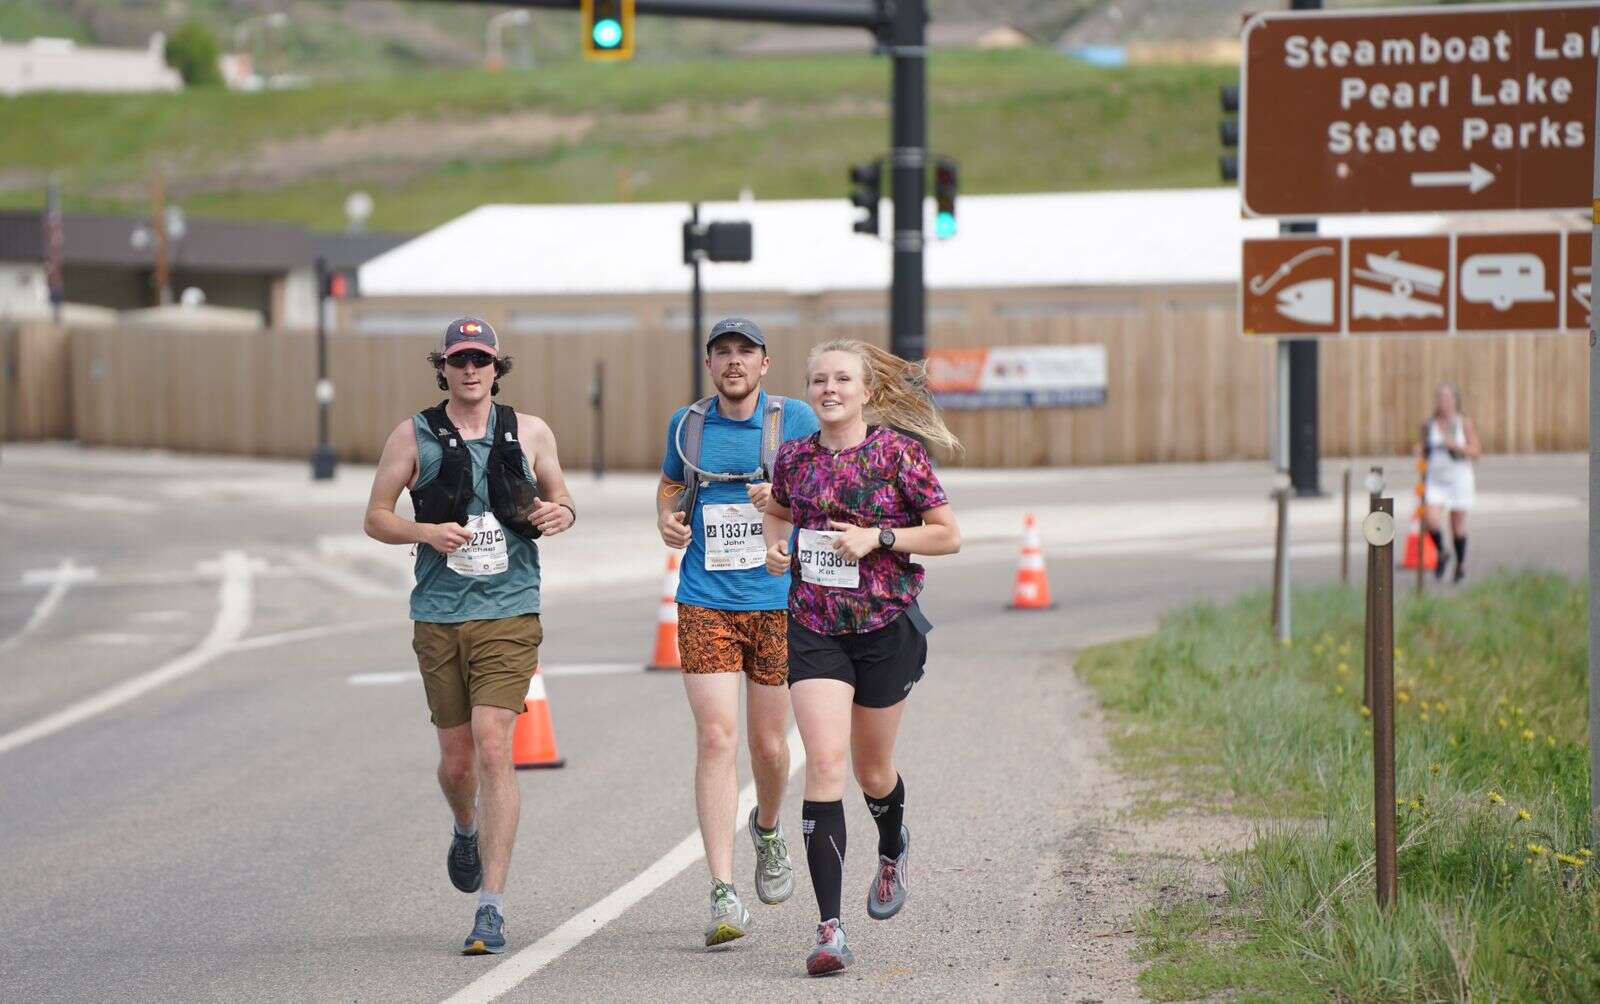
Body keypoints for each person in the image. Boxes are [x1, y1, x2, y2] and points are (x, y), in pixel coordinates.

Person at [363, 317, 575, 956]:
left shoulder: (530, 431)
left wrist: (558, 513)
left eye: (481, 359)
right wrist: (425, 532)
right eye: (459, 360)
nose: (471, 369)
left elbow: (563, 500)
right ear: (444, 368)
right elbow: (375, 517)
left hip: (510, 610)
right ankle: (464, 827)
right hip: (438, 613)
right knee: (457, 763)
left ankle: (491, 907)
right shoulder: (412, 435)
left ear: (496, 367)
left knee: (493, 742)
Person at [761, 338, 962, 976]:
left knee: (872, 771)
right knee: (824, 764)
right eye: (819, 379)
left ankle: (892, 844)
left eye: (842, 379)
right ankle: (829, 929)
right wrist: (776, 549)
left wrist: (878, 537)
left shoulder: (898, 454)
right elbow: (779, 513)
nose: (829, 389)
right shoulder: (794, 458)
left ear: (867, 391)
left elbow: (948, 535)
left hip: (884, 626)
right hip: (814, 625)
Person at [657, 317, 820, 947]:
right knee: (716, 737)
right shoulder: (688, 424)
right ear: (709, 364)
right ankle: (722, 891)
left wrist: (781, 500)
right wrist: (667, 519)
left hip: (778, 603)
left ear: (764, 363)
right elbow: (672, 485)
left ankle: (769, 828)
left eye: (744, 352)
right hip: (706, 601)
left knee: (770, 746)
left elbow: (823, 490)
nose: (733, 362)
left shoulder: (793, 420)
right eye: (722, 352)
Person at [1418, 382, 1479, 583]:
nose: (1443, 402)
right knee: (1431, 520)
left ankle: (1460, 564)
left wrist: (1456, 446)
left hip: (1459, 478)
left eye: (1447, 398)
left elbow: (1476, 451)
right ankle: (1442, 552)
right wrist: (1419, 450)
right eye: (1440, 398)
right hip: (1436, 479)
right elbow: (1424, 448)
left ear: (1455, 400)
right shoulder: (1429, 424)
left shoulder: (1463, 423)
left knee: (1457, 525)